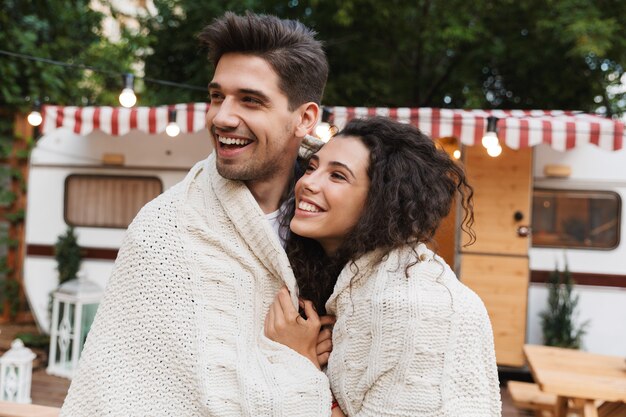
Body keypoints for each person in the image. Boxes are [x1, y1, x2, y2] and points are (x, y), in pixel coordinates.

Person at [61, 12, 334, 417]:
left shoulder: (346, 222)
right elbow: (113, 395)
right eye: (217, 96)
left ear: (305, 118)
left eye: (250, 100)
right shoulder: (161, 232)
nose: (221, 116)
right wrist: (298, 365)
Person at [265, 116, 502, 416]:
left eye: (337, 176)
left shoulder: (416, 304)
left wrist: (300, 358)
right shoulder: (344, 285)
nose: (307, 183)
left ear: (383, 200)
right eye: (312, 167)